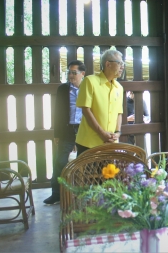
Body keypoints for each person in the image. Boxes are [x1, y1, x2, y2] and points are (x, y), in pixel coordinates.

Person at [43, 61, 86, 205]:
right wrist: (57, 134)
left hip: (84, 130)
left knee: (84, 162)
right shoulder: (63, 89)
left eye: (74, 72)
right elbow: (58, 112)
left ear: (82, 74)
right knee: (60, 161)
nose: (71, 75)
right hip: (67, 130)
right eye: (69, 72)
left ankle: (84, 193)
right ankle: (56, 193)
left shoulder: (88, 88)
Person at [75, 50, 124, 155]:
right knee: (89, 172)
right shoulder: (90, 81)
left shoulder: (119, 87)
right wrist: (102, 133)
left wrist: (118, 132)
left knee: (109, 171)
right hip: (89, 143)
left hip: (110, 143)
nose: (122, 67)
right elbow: (86, 110)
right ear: (108, 64)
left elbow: (119, 113)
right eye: (119, 63)